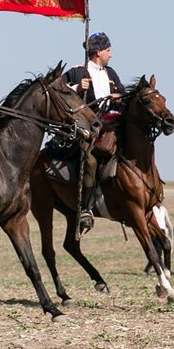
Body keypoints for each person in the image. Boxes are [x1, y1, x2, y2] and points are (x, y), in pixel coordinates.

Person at [62, 32, 125, 235]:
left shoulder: (111, 73)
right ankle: (86, 209)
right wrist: (76, 87)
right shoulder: (77, 72)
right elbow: (58, 92)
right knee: (89, 160)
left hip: (111, 125)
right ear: (98, 52)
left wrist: (118, 97)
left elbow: (122, 94)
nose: (111, 55)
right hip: (86, 127)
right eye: (108, 50)